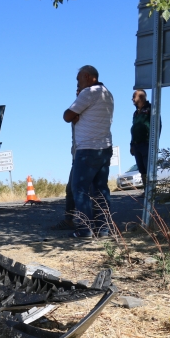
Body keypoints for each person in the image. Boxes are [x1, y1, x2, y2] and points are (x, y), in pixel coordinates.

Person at [63, 65, 114, 238]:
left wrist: (76, 115)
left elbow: (67, 116)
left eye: (78, 79)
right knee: (100, 190)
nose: (78, 83)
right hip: (105, 148)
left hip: (87, 149)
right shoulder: (107, 93)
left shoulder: (89, 93)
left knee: (79, 188)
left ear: (87, 76)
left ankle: (85, 229)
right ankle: (103, 229)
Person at [51, 88, 82, 231]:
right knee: (71, 189)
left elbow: (68, 116)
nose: (77, 90)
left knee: (82, 189)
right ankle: (70, 220)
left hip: (86, 153)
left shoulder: (89, 105)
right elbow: (68, 116)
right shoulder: (78, 106)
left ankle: (90, 223)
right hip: (77, 155)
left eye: (79, 85)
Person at [130, 89, 152, 190]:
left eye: (134, 97)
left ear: (141, 97)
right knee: (142, 169)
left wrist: (153, 141)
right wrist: (131, 144)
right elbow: (134, 129)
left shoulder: (150, 109)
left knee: (148, 168)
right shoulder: (135, 113)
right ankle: (146, 190)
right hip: (136, 144)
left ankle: (152, 191)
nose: (132, 99)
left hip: (147, 143)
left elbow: (157, 125)